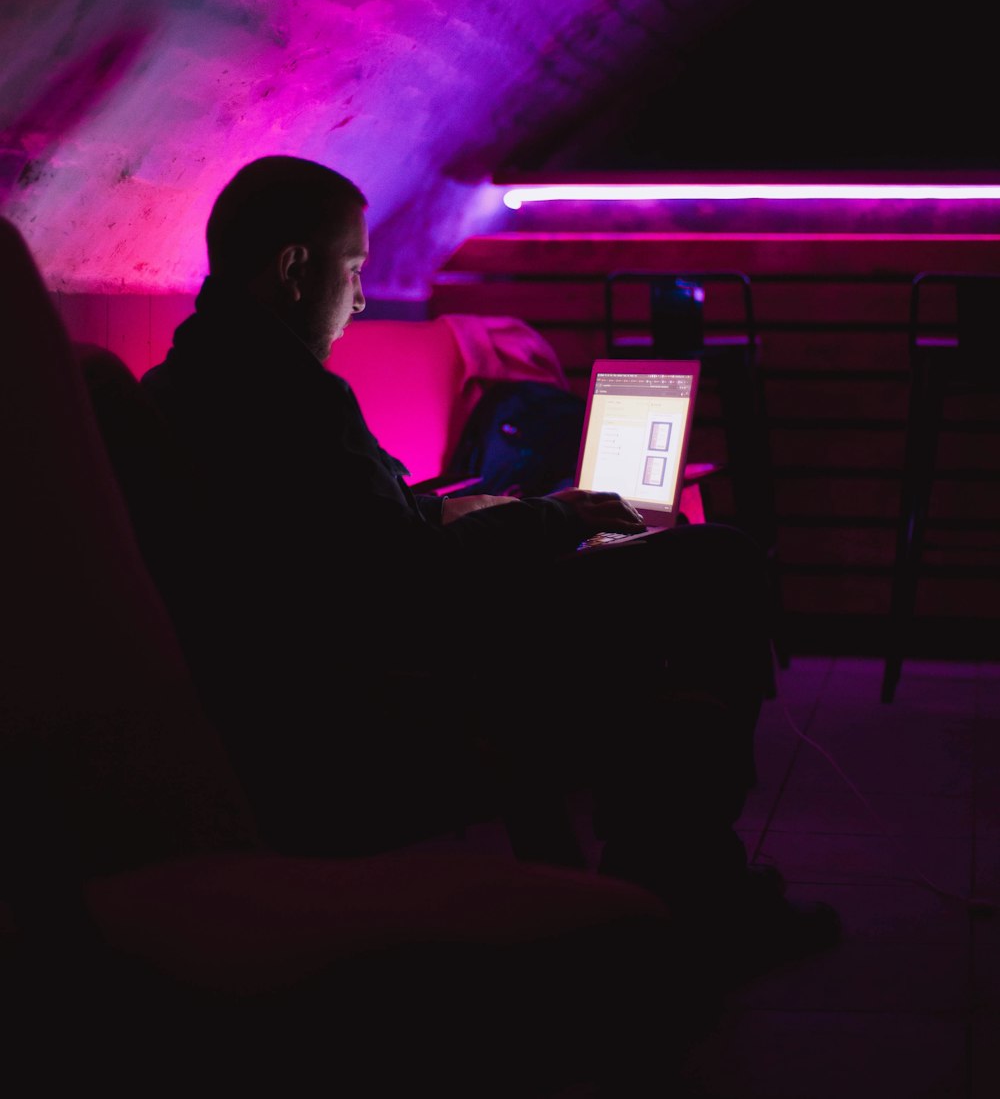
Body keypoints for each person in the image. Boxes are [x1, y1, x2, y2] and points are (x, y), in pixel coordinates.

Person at [139, 154, 839, 990]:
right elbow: (406, 587)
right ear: (294, 270)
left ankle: (667, 869)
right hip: (396, 686)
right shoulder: (290, 399)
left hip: (324, 670)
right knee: (716, 562)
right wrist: (551, 518)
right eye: (354, 270)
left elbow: (335, 541)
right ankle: (691, 883)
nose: (362, 297)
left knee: (638, 580)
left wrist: (445, 511)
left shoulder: (182, 384)